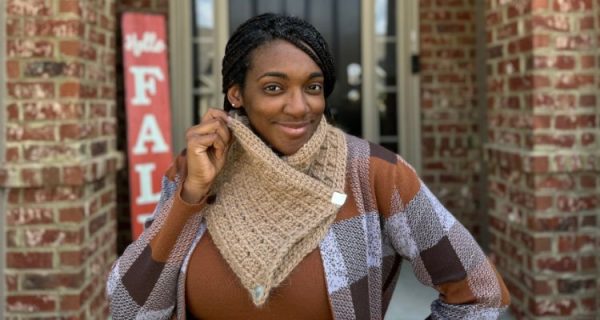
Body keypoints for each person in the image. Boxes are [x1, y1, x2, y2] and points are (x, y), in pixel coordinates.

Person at [107, 13, 510, 319]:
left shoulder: (373, 173)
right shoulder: (197, 171)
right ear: (236, 94)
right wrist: (189, 198)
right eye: (274, 88)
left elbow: (480, 292)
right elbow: (128, 309)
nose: (300, 107)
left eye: (313, 87)